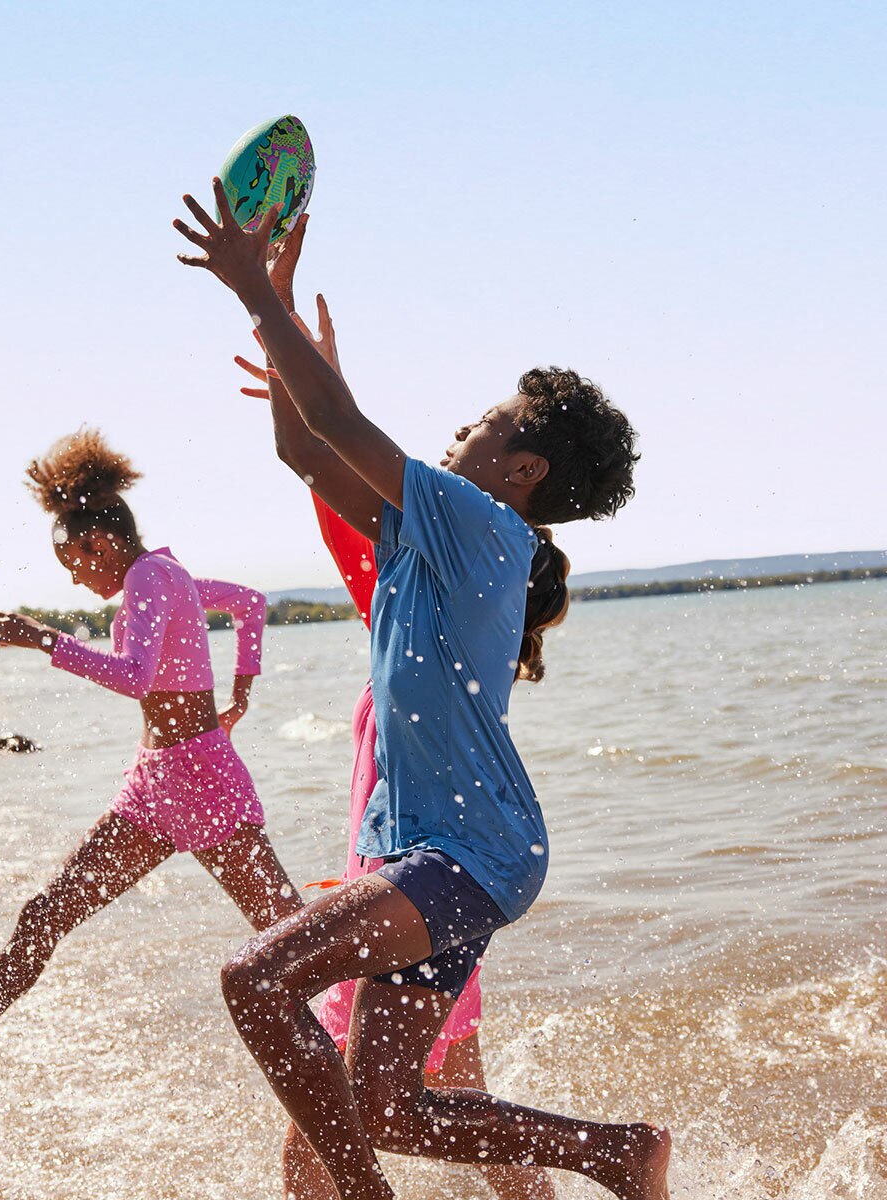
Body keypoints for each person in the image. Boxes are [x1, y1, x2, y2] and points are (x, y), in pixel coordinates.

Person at [174, 186, 670, 1200]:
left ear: (522, 468)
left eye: (484, 423)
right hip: (448, 857)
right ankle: (618, 1154)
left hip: (466, 854)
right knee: (388, 1107)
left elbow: (343, 422)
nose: (459, 429)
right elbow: (307, 447)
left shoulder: (482, 524)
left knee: (253, 979)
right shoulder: (436, 536)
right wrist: (279, 329)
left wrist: (256, 298)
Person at [0, 427, 301, 1121]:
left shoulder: (151, 577)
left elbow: (134, 677)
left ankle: (390, 1042)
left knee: (292, 937)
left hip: (203, 782)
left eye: (72, 563)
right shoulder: (164, 577)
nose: (74, 579)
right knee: (45, 915)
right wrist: (243, 685)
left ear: (96, 543)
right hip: (156, 786)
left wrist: (47, 641)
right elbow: (248, 602)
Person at [239, 216, 553, 1200]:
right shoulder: (427, 610)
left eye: (476, 431)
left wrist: (279, 324)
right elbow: (318, 455)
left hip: (415, 893)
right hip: (398, 890)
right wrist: (288, 350)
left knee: (324, 1145)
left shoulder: (416, 587)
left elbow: (339, 453)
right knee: (450, 1116)